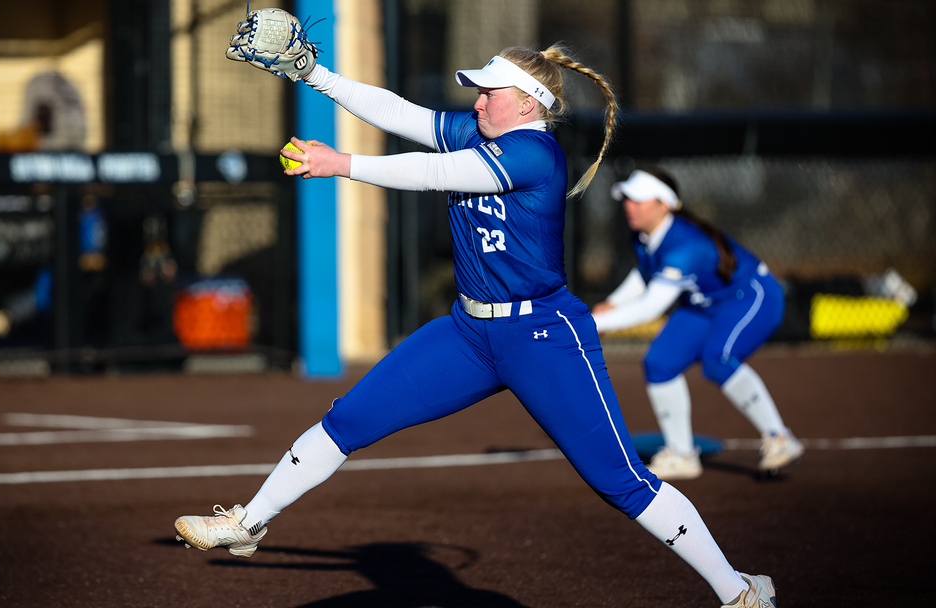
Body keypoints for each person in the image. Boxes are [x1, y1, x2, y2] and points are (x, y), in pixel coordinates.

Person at [174, 9, 776, 607]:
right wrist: (315, 73)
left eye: (491, 92)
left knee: (620, 481)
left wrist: (343, 164)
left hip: (543, 334)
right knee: (349, 419)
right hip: (468, 333)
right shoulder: (480, 130)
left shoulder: (535, 155)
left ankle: (739, 592)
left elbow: (439, 173)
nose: (479, 101)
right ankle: (248, 523)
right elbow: (400, 113)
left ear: (529, 103)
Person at [592, 167, 804, 480]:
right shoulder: (644, 234)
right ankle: (681, 455)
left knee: (718, 359)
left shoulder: (686, 244)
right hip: (704, 304)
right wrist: (614, 302)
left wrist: (598, 322)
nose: (629, 205)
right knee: (660, 362)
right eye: (626, 198)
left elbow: (653, 306)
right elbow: (644, 274)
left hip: (751, 295)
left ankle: (780, 439)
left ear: (664, 205)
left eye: (638, 199)